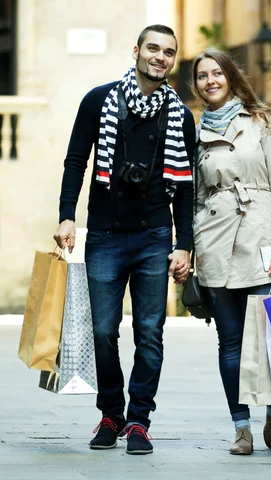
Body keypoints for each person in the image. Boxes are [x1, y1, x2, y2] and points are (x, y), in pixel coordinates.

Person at [53, 25, 195, 455]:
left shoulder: (179, 114)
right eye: (153, 48)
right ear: (136, 51)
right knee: (102, 331)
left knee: (150, 331)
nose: (160, 57)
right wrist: (65, 215)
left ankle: (139, 420)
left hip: (155, 235)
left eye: (168, 52)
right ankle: (111, 413)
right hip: (105, 235)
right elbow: (76, 160)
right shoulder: (99, 100)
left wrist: (183, 243)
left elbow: (187, 185)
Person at [191, 49, 271, 455]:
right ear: (196, 84)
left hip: (259, 239)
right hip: (216, 241)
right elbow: (197, 197)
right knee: (229, 342)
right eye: (202, 75)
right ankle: (241, 428)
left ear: (231, 77)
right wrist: (196, 244)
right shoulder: (195, 132)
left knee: (264, 339)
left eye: (217, 73)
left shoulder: (262, 121)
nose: (210, 80)